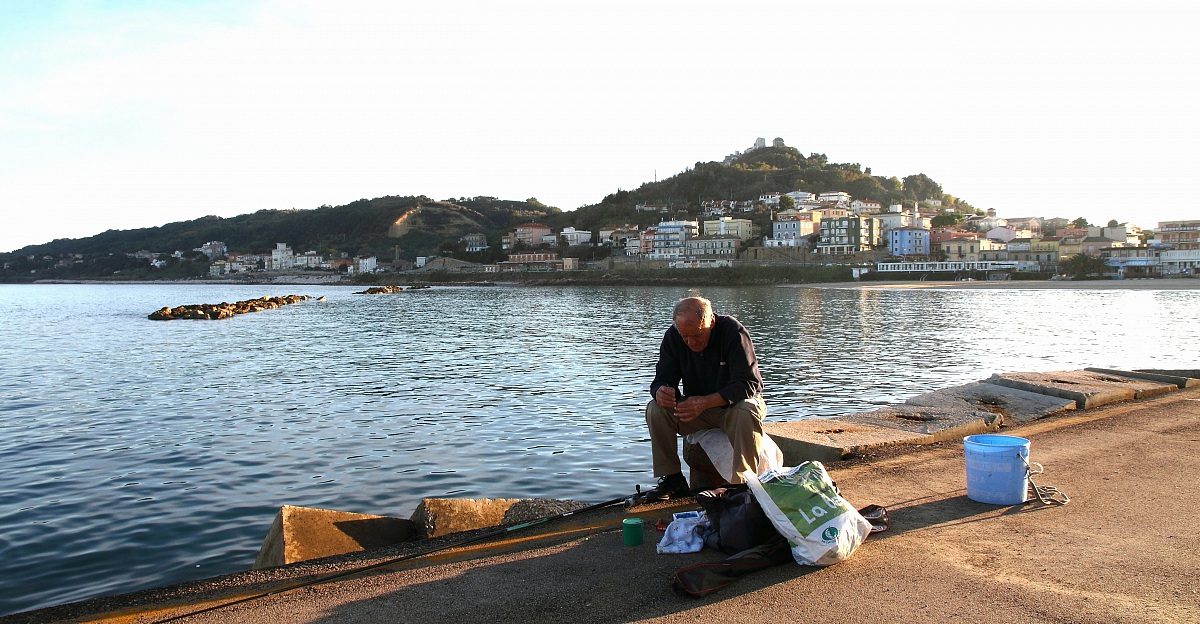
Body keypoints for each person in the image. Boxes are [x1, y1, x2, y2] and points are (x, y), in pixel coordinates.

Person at [643, 296, 767, 501]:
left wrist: (706, 402)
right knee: (655, 409)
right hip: (697, 411)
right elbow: (661, 379)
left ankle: (742, 484)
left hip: (732, 408)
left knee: (747, 409)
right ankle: (673, 480)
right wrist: (660, 391)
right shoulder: (673, 337)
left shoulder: (732, 331)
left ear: (711, 322)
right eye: (685, 337)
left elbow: (749, 384)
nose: (691, 343)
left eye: (697, 335)